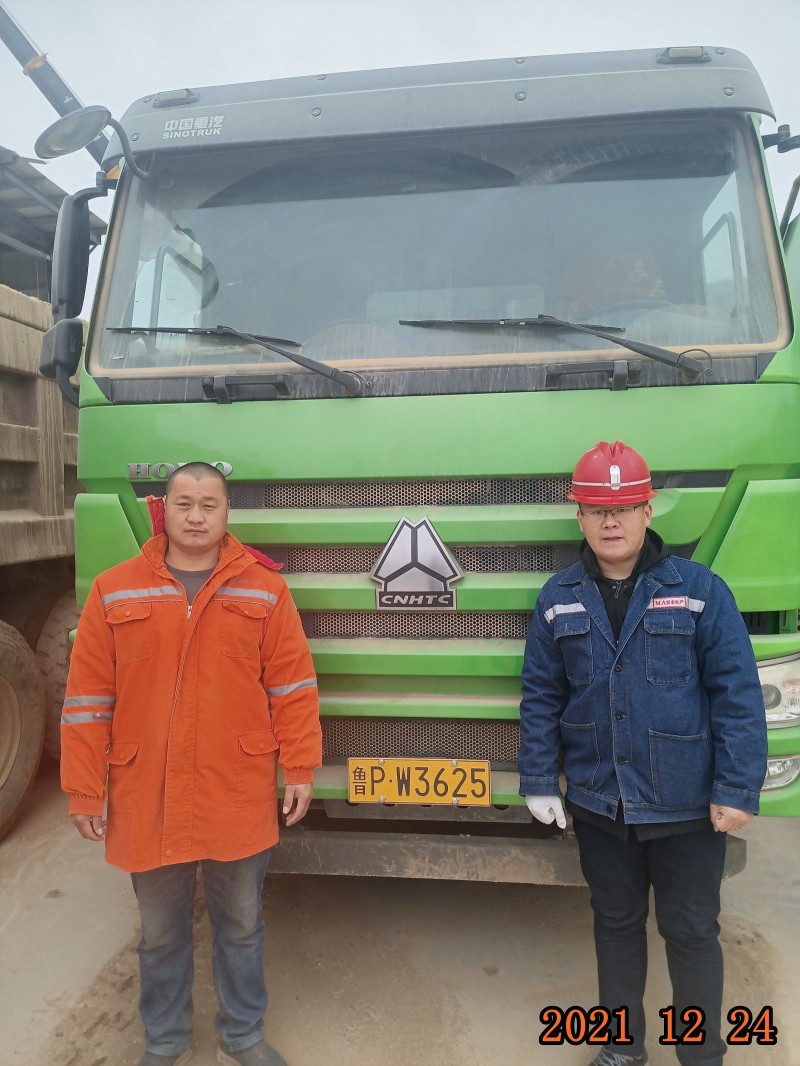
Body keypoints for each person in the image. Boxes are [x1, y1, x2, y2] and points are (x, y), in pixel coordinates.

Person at [61, 461, 322, 1066]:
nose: (197, 516)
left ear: (227, 513)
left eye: (209, 504)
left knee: (241, 927)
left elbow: (291, 687)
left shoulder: (265, 589)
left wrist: (301, 766)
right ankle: (166, 1041)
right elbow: (88, 699)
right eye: (184, 504)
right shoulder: (115, 588)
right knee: (160, 934)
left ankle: (243, 1035)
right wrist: (83, 788)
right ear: (164, 510)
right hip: (146, 791)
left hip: (235, 788)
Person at [518, 441, 767, 1066]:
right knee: (615, 926)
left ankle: (700, 1054)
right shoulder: (558, 598)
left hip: (687, 805)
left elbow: (736, 693)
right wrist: (539, 778)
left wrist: (736, 789)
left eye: (624, 507)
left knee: (691, 933)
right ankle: (621, 1049)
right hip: (602, 803)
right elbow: (542, 696)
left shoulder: (699, 590)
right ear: (579, 516)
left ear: (647, 511)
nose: (611, 521)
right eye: (598, 509)